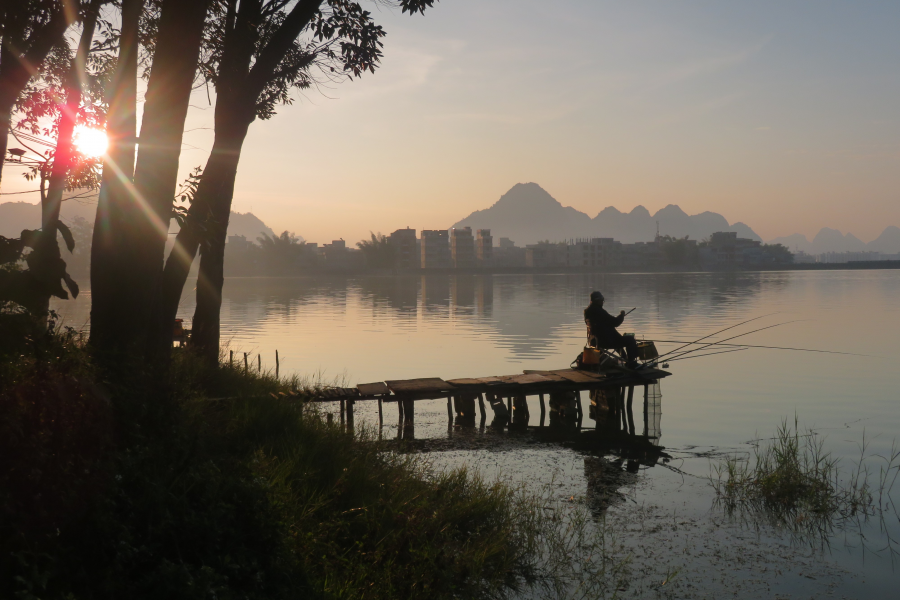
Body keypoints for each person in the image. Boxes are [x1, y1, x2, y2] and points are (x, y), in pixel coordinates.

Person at [584, 291, 639, 367]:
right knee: (630, 340)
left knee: (617, 338)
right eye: (602, 300)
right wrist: (621, 315)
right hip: (605, 342)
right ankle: (631, 363)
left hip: (593, 341)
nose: (603, 302)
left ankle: (624, 358)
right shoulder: (600, 311)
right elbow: (615, 322)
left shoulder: (587, 311)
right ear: (597, 300)